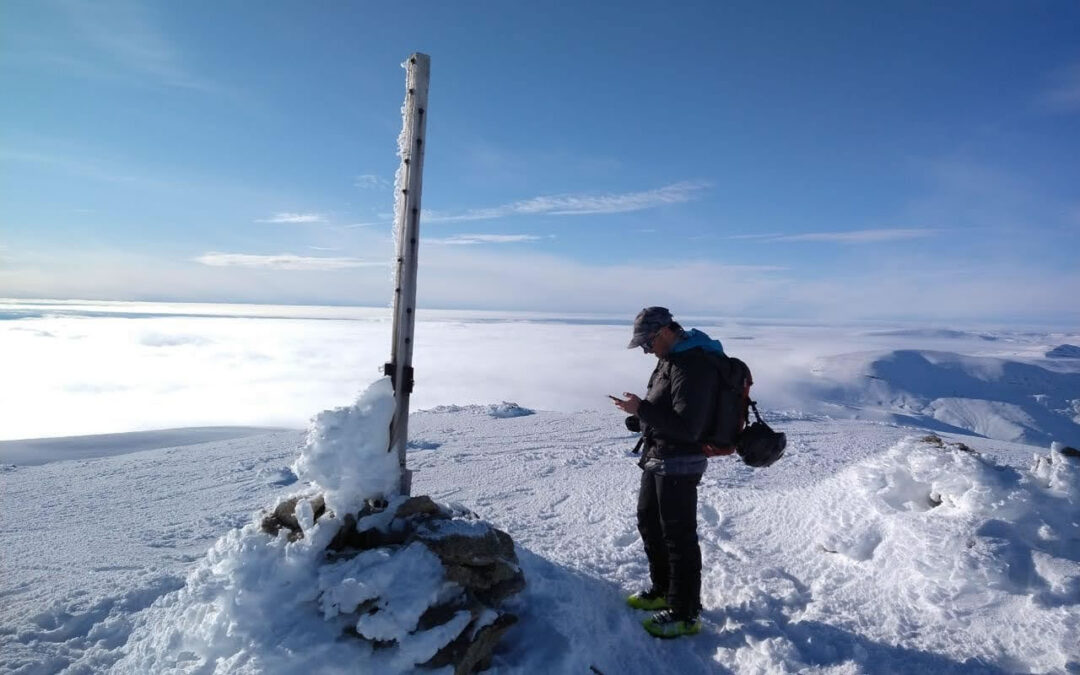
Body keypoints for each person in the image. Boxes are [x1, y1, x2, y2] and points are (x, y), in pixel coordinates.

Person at [611, 306, 728, 638]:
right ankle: (663, 589)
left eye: (647, 343)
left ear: (664, 332)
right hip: (658, 454)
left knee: (678, 537)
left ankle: (685, 612)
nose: (647, 351)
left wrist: (642, 409)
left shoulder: (693, 365)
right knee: (649, 521)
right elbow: (666, 409)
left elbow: (689, 427)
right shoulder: (671, 360)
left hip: (681, 461)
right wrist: (639, 416)